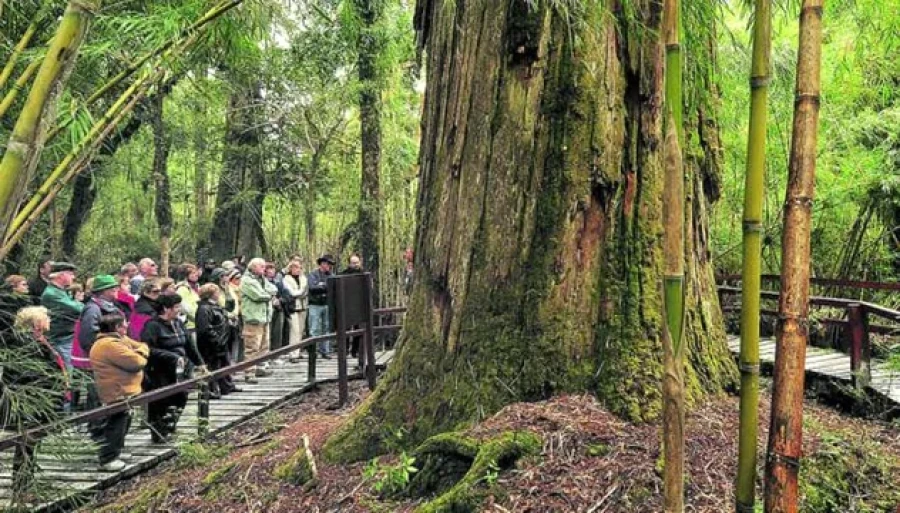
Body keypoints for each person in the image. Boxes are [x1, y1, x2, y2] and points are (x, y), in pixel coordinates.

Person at [1, 306, 70, 497]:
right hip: (30, 402)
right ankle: (21, 487)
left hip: (43, 398)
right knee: (26, 444)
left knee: (31, 444)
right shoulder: (23, 345)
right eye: (46, 316)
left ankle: (26, 485)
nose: (49, 319)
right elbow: (26, 376)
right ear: (36, 322)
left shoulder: (38, 340)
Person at [141, 294, 205, 443]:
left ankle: (171, 425)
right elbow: (147, 348)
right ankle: (159, 431)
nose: (179, 310)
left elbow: (189, 345)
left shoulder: (178, 323)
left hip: (182, 369)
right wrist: (171, 356)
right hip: (160, 370)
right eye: (176, 307)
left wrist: (200, 363)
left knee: (181, 396)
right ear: (165, 308)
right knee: (161, 400)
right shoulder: (152, 326)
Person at [90, 314, 149, 471]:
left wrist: (141, 349)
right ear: (116, 327)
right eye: (124, 325)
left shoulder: (120, 340)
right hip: (116, 391)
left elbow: (141, 344)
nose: (127, 326)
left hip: (126, 389)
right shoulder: (109, 345)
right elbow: (136, 362)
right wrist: (142, 354)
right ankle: (108, 458)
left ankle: (116, 452)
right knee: (116, 423)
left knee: (124, 421)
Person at [72, 275, 123, 439]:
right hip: (98, 360)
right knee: (97, 394)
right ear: (103, 291)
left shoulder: (110, 306)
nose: (116, 290)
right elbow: (87, 337)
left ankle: (102, 427)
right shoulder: (93, 309)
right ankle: (97, 429)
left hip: (109, 358)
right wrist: (104, 351)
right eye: (112, 288)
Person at [195, 284, 239, 397]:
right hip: (211, 343)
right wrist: (216, 339)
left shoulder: (216, 306)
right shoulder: (204, 308)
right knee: (212, 366)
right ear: (210, 294)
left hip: (222, 341)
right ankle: (211, 390)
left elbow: (229, 308)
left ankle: (227, 386)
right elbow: (204, 328)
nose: (218, 294)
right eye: (216, 292)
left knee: (224, 363)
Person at [40, 262, 84, 370]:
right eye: (70, 274)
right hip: (60, 339)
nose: (73, 277)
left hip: (68, 337)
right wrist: (78, 303)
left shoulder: (62, 291)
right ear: (61, 275)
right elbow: (78, 309)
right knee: (68, 372)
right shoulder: (52, 293)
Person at [239, 258, 277, 382]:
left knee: (264, 345)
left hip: (265, 317)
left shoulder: (262, 279)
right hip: (253, 318)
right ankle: (249, 372)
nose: (264, 269)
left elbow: (274, 289)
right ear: (253, 267)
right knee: (252, 347)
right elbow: (258, 296)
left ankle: (260, 367)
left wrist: (267, 293)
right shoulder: (246, 280)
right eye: (261, 266)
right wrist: (268, 295)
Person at [307, 254, 335, 359]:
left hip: (326, 304)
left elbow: (333, 288)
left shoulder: (331, 275)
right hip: (315, 305)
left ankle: (325, 351)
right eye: (328, 264)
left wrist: (321, 286)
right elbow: (312, 288)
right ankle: (313, 352)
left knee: (326, 328)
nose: (329, 266)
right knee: (314, 329)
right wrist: (324, 287)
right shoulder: (312, 275)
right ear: (322, 264)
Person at [282, 260, 308, 363]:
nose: (298, 269)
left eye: (299, 267)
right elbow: (292, 293)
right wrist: (301, 292)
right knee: (294, 330)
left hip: (303, 306)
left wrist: (301, 292)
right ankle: (292, 354)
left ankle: (298, 351)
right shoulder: (286, 279)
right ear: (290, 268)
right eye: (295, 267)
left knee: (301, 330)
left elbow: (306, 290)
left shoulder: (303, 278)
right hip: (292, 308)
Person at [340, 255, 365, 357]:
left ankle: (355, 351)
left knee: (358, 330)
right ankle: (344, 351)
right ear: (349, 263)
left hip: (359, 305)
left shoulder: (363, 275)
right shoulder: (343, 274)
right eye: (353, 263)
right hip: (346, 305)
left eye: (357, 262)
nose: (355, 265)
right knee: (345, 329)